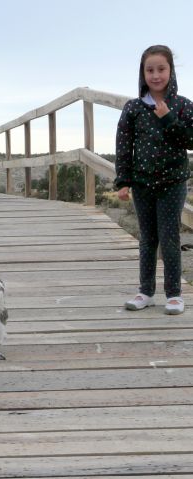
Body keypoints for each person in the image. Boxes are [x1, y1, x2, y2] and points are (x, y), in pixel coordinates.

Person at [115, 45, 193, 315]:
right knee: (147, 238)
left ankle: (174, 295)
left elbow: (190, 140)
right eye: (150, 70)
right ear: (143, 73)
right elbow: (124, 146)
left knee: (169, 237)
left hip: (173, 182)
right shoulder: (133, 108)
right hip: (142, 183)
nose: (156, 75)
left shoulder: (183, 105)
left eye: (161, 69)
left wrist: (168, 118)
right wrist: (123, 181)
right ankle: (145, 292)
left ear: (171, 71)